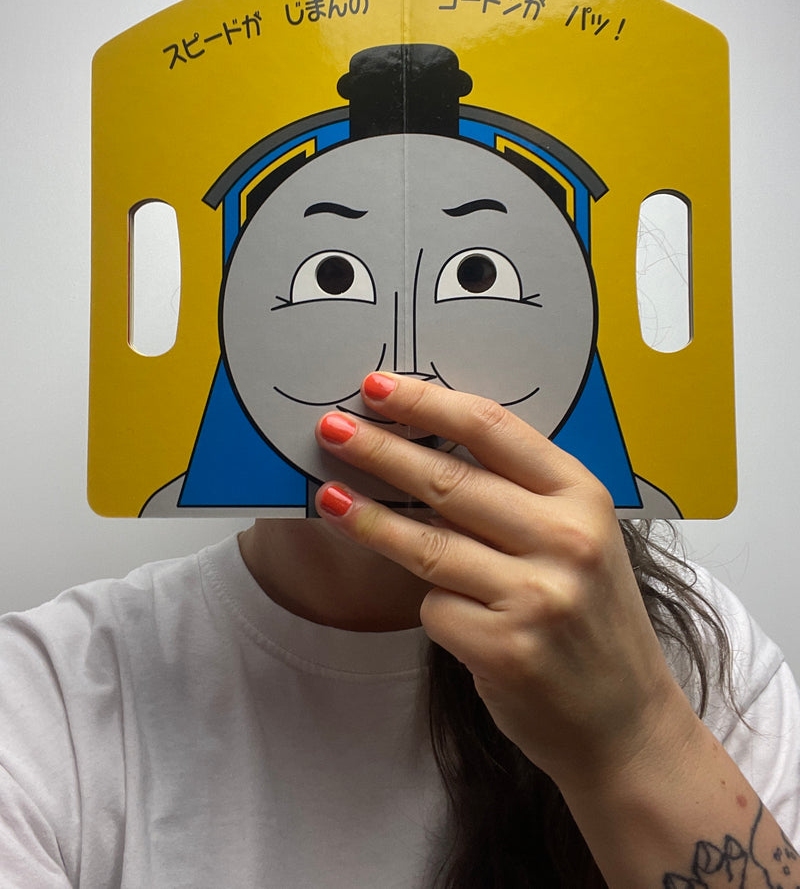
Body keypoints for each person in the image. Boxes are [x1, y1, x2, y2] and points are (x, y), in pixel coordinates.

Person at [0, 373, 798, 887]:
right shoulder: (45, 695)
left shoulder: (691, 653)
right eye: (331, 275)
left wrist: (633, 740)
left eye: (478, 272)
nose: (400, 355)